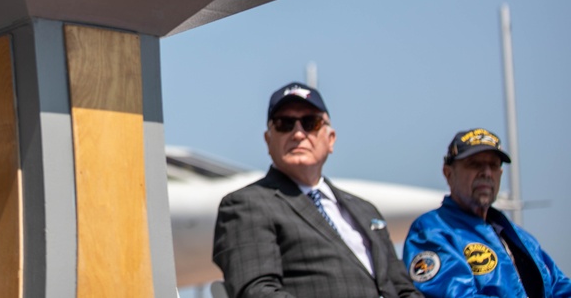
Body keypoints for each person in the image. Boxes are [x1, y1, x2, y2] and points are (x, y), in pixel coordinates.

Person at [212, 82, 422, 298]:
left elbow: (403, 288)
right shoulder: (247, 205)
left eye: (310, 123)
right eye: (284, 124)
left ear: (330, 139)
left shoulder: (366, 211)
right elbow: (258, 292)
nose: (298, 134)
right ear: (268, 140)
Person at [403, 128, 571, 297]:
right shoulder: (431, 231)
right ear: (448, 173)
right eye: (475, 164)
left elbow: (560, 288)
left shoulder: (522, 239)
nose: (487, 173)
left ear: (500, 173)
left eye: (493, 165)